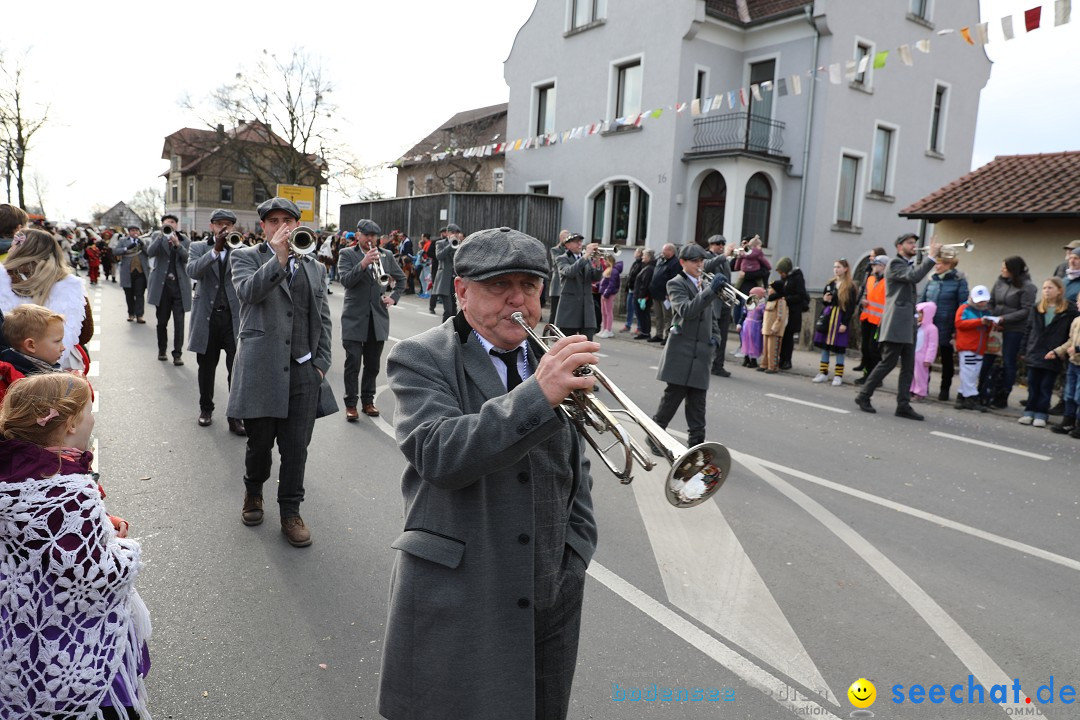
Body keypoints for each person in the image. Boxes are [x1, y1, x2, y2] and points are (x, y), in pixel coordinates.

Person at [379, 226, 598, 720]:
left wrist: (576, 550)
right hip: (462, 586)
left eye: (531, 284)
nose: (518, 300)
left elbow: (575, 465)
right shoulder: (421, 355)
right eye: (500, 285)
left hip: (550, 585)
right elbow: (437, 452)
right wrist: (537, 395)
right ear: (461, 289)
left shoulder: (548, 357)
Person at [0, 373, 151, 719]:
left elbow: (43, 540)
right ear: (70, 425)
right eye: (89, 411)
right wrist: (122, 547)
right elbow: (96, 574)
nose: (94, 418)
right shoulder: (69, 489)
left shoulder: (13, 475)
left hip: (22, 632)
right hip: (73, 641)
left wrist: (100, 522)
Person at [227, 197, 338, 548]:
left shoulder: (315, 266)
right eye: (272, 221)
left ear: (296, 224)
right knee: (259, 445)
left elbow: (322, 316)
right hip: (261, 368)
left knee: (296, 448)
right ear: (263, 227)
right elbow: (248, 293)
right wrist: (278, 258)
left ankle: (291, 511)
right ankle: (253, 492)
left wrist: (321, 363)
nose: (280, 227)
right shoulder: (245, 257)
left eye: (286, 220)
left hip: (304, 372)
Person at [649, 244, 727, 449]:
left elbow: (712, 318)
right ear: (683, 262)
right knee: (671, 400)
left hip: (701, 354)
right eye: (694, 261)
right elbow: (686, 310)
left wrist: (716, 339)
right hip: (682, 352)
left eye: (701, 261)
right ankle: (655, 437)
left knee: (698, 405)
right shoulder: (675, 283)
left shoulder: (704, 284)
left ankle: (696, 448)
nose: (699, 264)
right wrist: (710, 290)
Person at [855, 233, 941, 419]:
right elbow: (914, 277)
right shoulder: (895, 264)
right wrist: (932, 257)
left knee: (908, 367)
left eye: (915, 243)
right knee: (888, 363)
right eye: (910, 243)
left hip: (908, 324)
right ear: (899, 246)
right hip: (895, 323)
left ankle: (903, 405)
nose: (913, 246)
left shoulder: (906, 265)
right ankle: (864, 395)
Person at [338, 218, 406, 420]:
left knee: (373, 365)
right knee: (352, 364)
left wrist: (393, 297)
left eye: (374, 236)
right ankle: (351, 404)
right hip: (353, 318)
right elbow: (345, 281)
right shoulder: (347, 254)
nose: (371, 239)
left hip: (377, 319)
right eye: (367, 235)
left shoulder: (386, 255)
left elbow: (401, 279)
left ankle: (368, 401)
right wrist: (363, 263)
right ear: (358, 235)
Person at [0, 228, 93, 373]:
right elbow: (86, 333)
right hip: (60, 370)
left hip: (10, 370)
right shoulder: (70, 285)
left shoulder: (3, 280)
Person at [186, 208, 245, 434]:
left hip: (233, 318)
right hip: (208, 318)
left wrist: (232, 248)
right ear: (211, 226)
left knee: (236, 368)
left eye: (228, 224)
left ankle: (235, 415)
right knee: (207, 367)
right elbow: (192, 271)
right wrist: (215, 251)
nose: (224, 228)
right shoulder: (198, 247)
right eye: (219, 223)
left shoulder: (240, 249)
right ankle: (206, 408)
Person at [1021, 277, 1075, 427]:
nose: (1046, 291)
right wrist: (1024, 349)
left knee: (1046, 385)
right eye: (1044, 288)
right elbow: (1028, 329)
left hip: (1053, 352)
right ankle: (1029, 411)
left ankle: (1041, 413)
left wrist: (1062, 350)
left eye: (1050, 288)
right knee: (1032, 384)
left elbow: (1071, 333)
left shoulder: (1069, 310)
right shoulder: (1037, 307)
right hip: (1035, 350)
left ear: (1059, 290)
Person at [985, 256, 1037, 408]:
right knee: (988, 359)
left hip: (1014, 329)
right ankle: (984, 391)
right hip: (995, 327)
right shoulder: (1000, 282)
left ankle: (1003, 396)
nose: (1002, 270)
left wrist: (1004, 319)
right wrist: (993, 317)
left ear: (1013, 269)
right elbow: (991, 301)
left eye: (1005, 267)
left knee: (1009, 362)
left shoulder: (1027, 287)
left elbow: (1026, 310)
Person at [917, 253, 968, 400]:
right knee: (925, 357)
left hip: (947, 324)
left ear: (949, 265)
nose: (937, 266)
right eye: (936, 263)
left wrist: (956, 328)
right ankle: (922, 386)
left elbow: (962, 305)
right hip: (928, 324)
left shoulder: (959, 281)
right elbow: (923, 300)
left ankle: (944, 389)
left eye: (940, 264)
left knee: (946, 358)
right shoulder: (931, 280)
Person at [147, 213, 191, 366]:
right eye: (166, 222)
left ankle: (177, 354)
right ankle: (162, 350)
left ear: (176, 225)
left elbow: (186, 258)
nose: (169, 224)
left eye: (172, 222)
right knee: (161, 322)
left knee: (179, 323)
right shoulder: (156, 237)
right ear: (162, 224)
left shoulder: (185, 240)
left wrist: (177, 245)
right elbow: (150, 252)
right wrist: (161, 237)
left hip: (179, 287)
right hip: (162, 287)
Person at [812, 259, 857, 386]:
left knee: (839, 347)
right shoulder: (831, 283)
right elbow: (826, 301)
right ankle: (823, 373)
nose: (836, 269)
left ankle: (838, 375)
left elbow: (851, 307)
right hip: (829, 316)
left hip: (840, 317)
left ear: (845, 269)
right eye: (834, 267)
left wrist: (845, 323)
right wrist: (825, 300)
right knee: (825, 346)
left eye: (839, 267)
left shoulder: (850, 286)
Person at [0, 304, 66, 387]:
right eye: (57, 341)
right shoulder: (23, 383)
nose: (63, 348)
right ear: (31, 345)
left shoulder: (46, 367)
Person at [554, 232, 603, 340]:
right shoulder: (561, 258)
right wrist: (586, 256)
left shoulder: (586, 259)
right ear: (567, 245)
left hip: (586, 310)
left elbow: (595, 277)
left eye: (580, 241)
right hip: (569, 311)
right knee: (567, 345)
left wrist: (598, 263)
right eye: (576, 242)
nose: (579, 244)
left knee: (587, 345)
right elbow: (569, 272)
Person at [953, 285, 994, 411]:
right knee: (969, 372)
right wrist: (979, 322)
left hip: (979, 347)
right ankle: (971, 397)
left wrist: (990, 323)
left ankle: (962, 396)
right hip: (967, 346)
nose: (982, 304)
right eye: (980, 301)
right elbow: (959, 323)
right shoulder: (964, 308)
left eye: (984, 301)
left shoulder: (986, 311)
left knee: (973, 372)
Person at [1049, 292, 1080, 436]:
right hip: (1074, 362)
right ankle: (1068, 421)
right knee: (1069, 393)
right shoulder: (1076, 321)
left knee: (1079, 395)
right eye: (1078, 301)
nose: (1078, 304)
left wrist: (1078, 349)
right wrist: (1057, 352)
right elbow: (1070, 341)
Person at [853, 255, 887, 386]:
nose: (872, 267)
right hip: (867, 317)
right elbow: (866, 295)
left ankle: (875, 378)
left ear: (883, 267)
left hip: (879, 321)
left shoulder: (888, 281)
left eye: (875, 265)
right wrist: (863, 302)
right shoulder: (870, 279)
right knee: (865, 348)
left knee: (874, 350)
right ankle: (867, 375)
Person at [705, 236, 733, 377]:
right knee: (711, 335)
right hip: (712, 302)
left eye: (723, 244)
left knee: (723, 335)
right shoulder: (705, 255)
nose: (721, 246)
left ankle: (718, 365)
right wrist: (724, 255)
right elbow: (707, 265)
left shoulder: (724, 259)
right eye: (718, 244)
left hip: (725, 301)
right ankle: (707, 363)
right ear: (711, 245)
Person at [776, 257, 809, 370]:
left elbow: (800, 295)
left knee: (788, 337)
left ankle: (787, 360)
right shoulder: (787, 278)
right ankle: (781, 359)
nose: (781, 274)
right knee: (783, 336)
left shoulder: (797, 278)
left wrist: (786, 299)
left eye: (782, 272)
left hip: (793, 311)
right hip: (786, 310)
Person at [112, 225, 149, 323]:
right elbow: (115, 251)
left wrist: (143, 245)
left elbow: (150, 253)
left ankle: (140, 315)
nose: (135, 232)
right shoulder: (123, 241)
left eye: (136, 230)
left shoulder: (144, 241)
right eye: (133, 231)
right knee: (129, 295)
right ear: (129, 232)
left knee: (140, 294)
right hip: (127, 272)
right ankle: (131, 314)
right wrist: (126, 248)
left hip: (140, 272)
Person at [648, 243, 680, 343]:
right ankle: (658, 334)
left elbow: (674, 279)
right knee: (658, 316)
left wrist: (669, 293)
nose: (662, 252)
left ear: (671, 251)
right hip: (656, 293)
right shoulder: (661, 261)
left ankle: (668, 336)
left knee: (667, 317)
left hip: (666, 295)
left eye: (665, 250)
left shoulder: (675, 263)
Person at [433, 223, 462, 321]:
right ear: (448, 233)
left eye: (457, 233)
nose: (455, 234)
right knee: (448, 310)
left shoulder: (460, 244)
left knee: (456, 311)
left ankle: (453, 332)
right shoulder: (440, 243)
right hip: (444, 280)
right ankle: (444, 333)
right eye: (453, 232)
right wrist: (450, 245)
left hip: (456, 280)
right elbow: (439, 256)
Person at [911, 301, 939, 401]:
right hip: (914, 354)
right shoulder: (917, 326)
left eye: (920, 313)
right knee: (912, 374)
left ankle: (920, 392)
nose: (918, 315)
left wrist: (929, 359)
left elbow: (932, 345)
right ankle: (912, 389)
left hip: (922, 357)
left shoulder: (932, 329)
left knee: (921, 376)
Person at [760, 280, 787, 374]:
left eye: (771, 288)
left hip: (774, 330)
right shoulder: (770, 299)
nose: (769, 290)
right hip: (766, 328)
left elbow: (780, 316)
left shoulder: (781, 301)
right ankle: (764, 364)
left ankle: (773, 366)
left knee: (773, 349)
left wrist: (775, 327)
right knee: (765, 349)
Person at [739, 286, 766, 368]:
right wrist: (739, 323)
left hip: (756, 325)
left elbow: (764, 316)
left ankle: (753, 360)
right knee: (746, 341)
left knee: (754, 342)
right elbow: (744, 313)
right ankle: (746, 358)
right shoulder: (749, 302)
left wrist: (763, 325)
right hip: (747, 324)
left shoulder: (762, 304)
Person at [596, 252, 621, 338]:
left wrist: (606, 293)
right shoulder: (608, 269)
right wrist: (597, 285)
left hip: (608, 294)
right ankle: (604, 328)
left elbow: (612, 284)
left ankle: (608, 330)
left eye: (605, 261)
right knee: (603, 312)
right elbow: (604, 282)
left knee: (608, 312)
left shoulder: (614, 271)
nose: (604, 262)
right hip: (604, 293)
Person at [633, 249, 655, 340]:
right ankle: (644, 331)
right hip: (640, 295)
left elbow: (645, 284)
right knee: (641, 314)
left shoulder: (649, 269)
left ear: (649, 257)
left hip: (643, 296)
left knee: (643, 314)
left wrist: (642, 296)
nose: (642, 257)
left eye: (644, 255)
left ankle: (645, 332)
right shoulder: (646, 267)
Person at [548, 230, 569, 323]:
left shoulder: (569, 250)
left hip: (566, 285)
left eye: (568, 238)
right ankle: (550, 333)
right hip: (557, 285)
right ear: (560, 238)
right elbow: (558, 262)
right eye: (565, 238)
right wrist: (569, 250)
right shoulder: (555, 249)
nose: (566, 240)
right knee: (554, 311)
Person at [621, 247, 643, 333]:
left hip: (636, 290)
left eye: (636, 251)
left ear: (640, 253)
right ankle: (628, 325)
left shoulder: (641, 264)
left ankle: (639, 327)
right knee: (629, 308)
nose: (635, 253)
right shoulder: (635, 263)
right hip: (630, 289)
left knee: (637, 310)